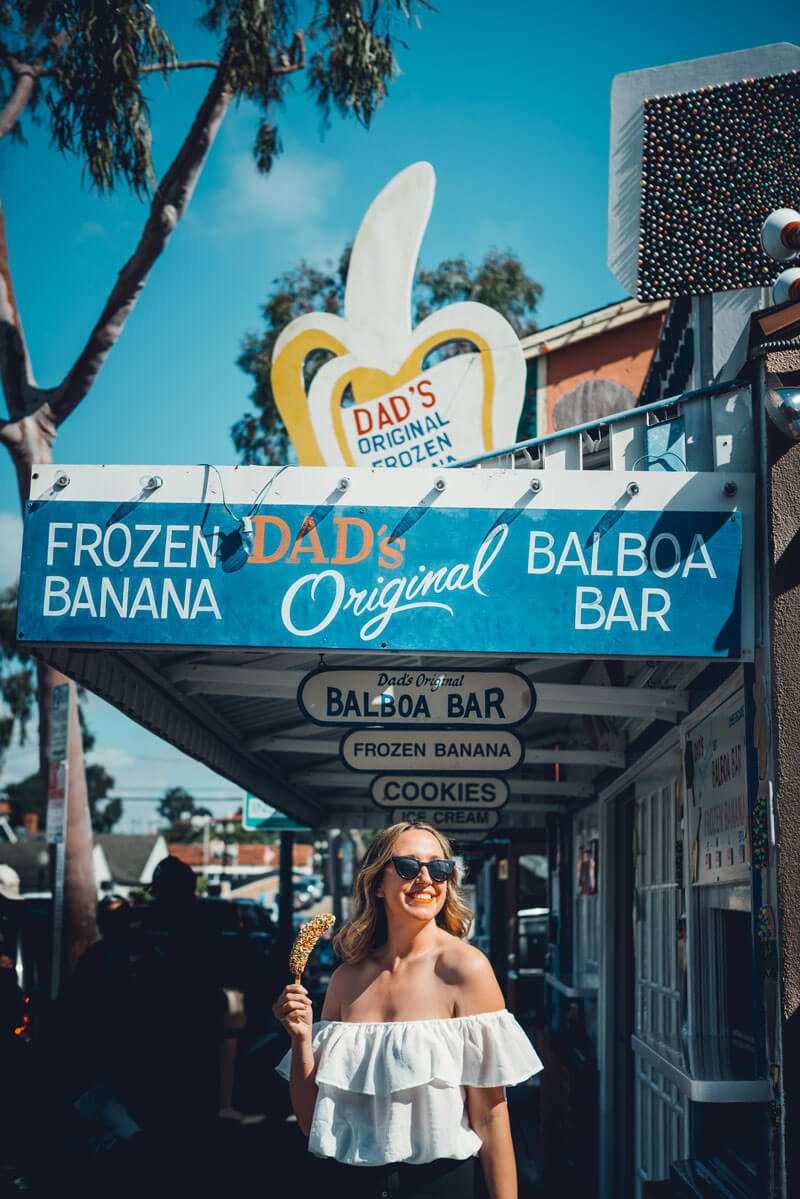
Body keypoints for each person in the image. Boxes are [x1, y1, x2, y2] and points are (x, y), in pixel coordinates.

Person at [272, 821, 542, 1199]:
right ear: (377, 884)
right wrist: (301, 1040)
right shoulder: (346, 979)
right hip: (344, 1183)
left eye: (440, 867)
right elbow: (309, 1121)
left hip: (441, 1186)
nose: (426, 878)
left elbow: (490, 1116)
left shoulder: (466, 970)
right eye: (408, 867)